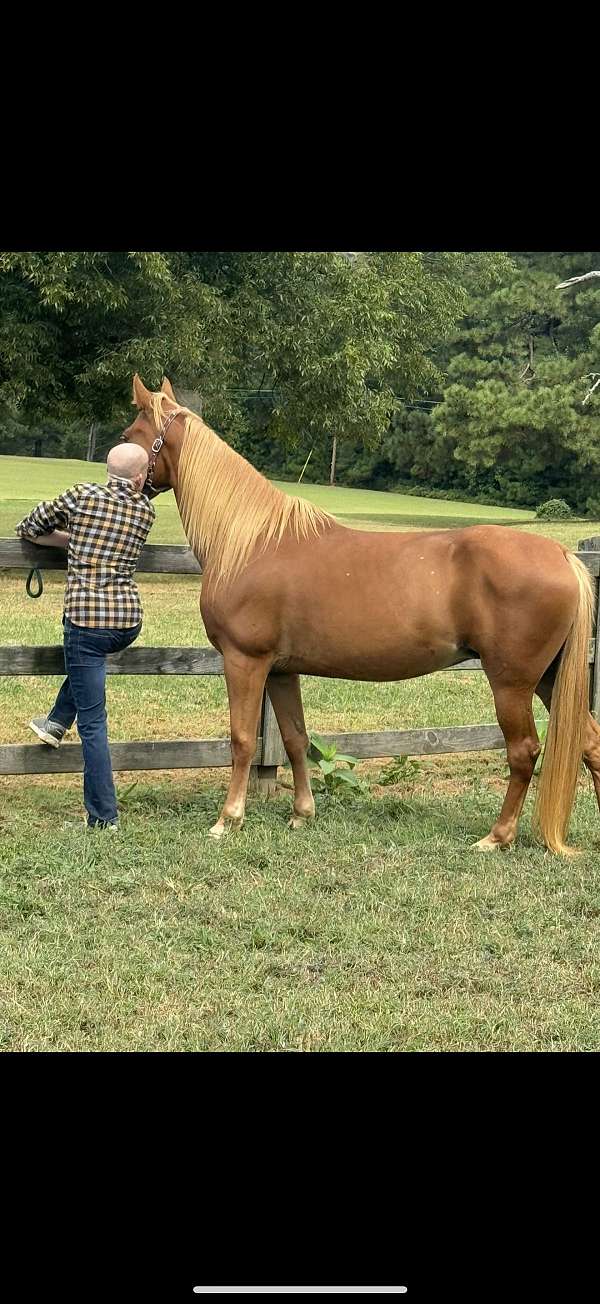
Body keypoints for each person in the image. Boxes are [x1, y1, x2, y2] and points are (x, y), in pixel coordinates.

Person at [15, 443, 156, 830]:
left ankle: (103, 817)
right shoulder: (145, 511)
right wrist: (76, 540)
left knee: (94, 724)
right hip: (127, 621)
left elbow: (29, 526)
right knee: (85, 675)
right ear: (141, 477)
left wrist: (65, 540)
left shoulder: (81, 495)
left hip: (86, 622)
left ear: (106, 468)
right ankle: (56, 721)